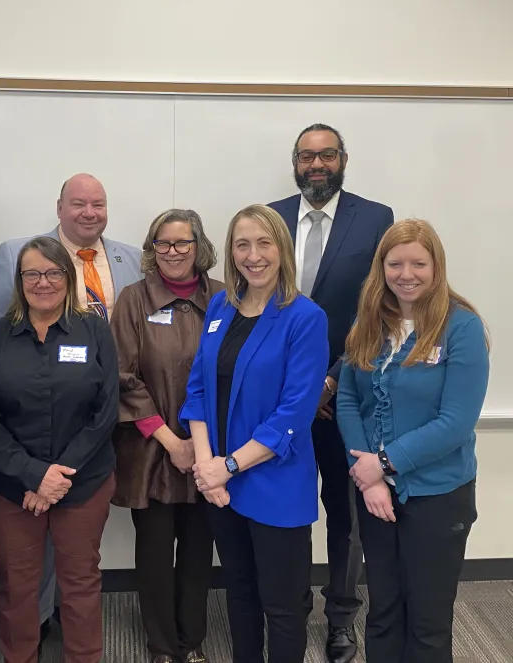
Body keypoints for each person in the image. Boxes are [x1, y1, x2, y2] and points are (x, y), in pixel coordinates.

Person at [0, 172, 140, 638]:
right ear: (59, 207)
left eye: (98, 203)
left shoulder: (130, 258)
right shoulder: (18, 254)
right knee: (22, 575)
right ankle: (39, 622)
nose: (89, 212)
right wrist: (34, 472)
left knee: (79, 569)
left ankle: (63, 623)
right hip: (21, 439)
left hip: (93, 432)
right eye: (79, 203)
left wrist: (57, 474)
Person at [179, 204, 329, 663]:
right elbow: (198, 388)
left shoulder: (305, 317)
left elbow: (293, 414)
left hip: (275, 482)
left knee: (282, 607)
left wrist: (224, 467)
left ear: (282, 249)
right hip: (222, 484)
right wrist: (207, 466)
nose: (253, 255)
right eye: (242, 244)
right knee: (239, 595)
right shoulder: (221, 305)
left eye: (264, 243)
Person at [335, 219, 489, 663]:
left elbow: (456, 422)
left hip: (438, 494)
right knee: (383, 610)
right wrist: (371, 479)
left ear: (436, 266)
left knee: (427, 621)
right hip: (376, 494)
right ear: (381, 267)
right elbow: (348, 401)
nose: (407, 274)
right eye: (395, 263)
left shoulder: (461, 327)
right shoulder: (369, 321)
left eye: (419, 263)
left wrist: (382, 464)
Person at [268, 123, 394, 663]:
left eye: (326, 156)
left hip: (346, 394)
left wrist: (333, 377)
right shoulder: (269, 218)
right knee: (289, 508)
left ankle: (342, 617)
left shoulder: (375, 219)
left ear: (343, 159)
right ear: (294, 163)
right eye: (305, 157)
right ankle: (289, 606)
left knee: (345, 515)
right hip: (282, 399)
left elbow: (378, 309)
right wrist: (300, 385)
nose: (315, 165)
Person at [110, 209, 223, 663]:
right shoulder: (133, 300)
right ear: (151, 249)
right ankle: (160, 645)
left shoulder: (224, 298)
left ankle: (190, 640)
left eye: (182, 243)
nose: (173, 252)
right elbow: (122, 377)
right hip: (152, 449)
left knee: (199, 553)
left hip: (210, 452)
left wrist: (199, 447)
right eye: (163, 243)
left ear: (200, 247)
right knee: (155, 555)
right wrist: (172, 442)